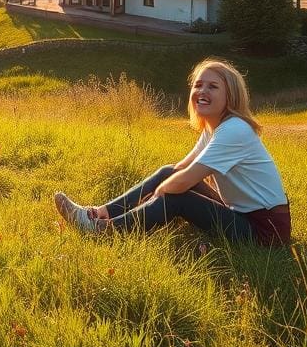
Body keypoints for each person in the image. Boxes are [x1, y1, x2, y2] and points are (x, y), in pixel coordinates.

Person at [54, 58, 291, 246]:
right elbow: (180, 169)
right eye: (198, 85)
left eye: (213, 86)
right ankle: (98, 214)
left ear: (230, 96)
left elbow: (184, 181)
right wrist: (163, 186)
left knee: (177, 196)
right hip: (240, 213)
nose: (202, 91)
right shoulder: (214, 128)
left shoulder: (234, 130)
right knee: (169, 172)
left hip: (265, 230)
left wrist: (160, 193)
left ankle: (105, 231)